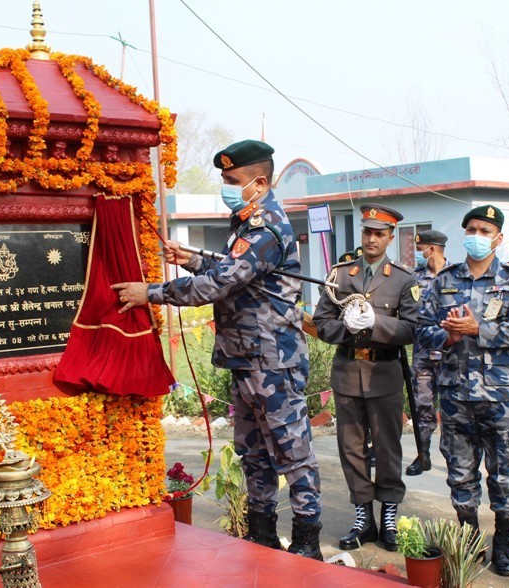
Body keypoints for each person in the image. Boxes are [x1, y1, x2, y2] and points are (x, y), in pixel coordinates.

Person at [111, 140, 323, 559]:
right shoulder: (245, 224)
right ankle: (262, 537)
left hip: (273, 362)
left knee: (292, 453)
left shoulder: (265, 227)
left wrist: (150, 292)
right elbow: (235, 273)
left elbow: (220, 284)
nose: (227, 187)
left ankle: (306, 545)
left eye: (232, 180)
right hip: (248, 360)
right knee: (254, 453)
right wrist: (189, 260)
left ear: (259, 182)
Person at [416, 205, 509, 577]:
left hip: (500, 398)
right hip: (455, 397)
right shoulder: (443, 280)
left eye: (485, 230)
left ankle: (502, 546)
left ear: (498, 238)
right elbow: (421, 329)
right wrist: (448, 336)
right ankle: (470, 540)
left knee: (504, 474)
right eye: (472, 228)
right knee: (460, 473)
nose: (477, 235)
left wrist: (477, 330)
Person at [312, 203, 419, 552]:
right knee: (351, 448)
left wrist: (378, 322)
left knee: (388, 447)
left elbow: (413, 329)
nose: (371, 238)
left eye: (379, 233)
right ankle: (363, 518)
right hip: (346, 371)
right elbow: (321, 324)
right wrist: (344, 327)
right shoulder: (341, 275)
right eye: (367, 232)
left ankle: (388, 514)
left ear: (390, 237)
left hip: (384, 373)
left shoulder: (404, 279)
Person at [406, 229, 448, 476]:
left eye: (420, 248)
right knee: (422, 406)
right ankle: (423, 456)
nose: (417, 253)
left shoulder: (456, 276)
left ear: (431, 249)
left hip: (450, 353)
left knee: (453, 407)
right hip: (422, 352)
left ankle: (454, 458)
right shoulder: (413, 278)